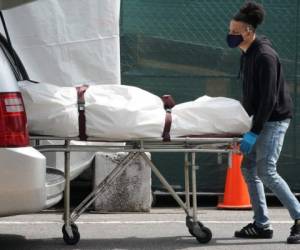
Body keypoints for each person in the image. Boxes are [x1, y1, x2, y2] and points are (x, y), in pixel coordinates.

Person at [226, 1, 300, 244]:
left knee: (266, 170)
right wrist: (243, 129)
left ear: (248, 31)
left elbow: (268, 100)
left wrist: (253, 133)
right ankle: (261, 224)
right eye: (230, 30)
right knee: (248, 168)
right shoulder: (248, 54)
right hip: (259, 120)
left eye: (235, 32)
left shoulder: (265, 56)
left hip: (274, 120)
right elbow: (251, 97)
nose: (231, 36)